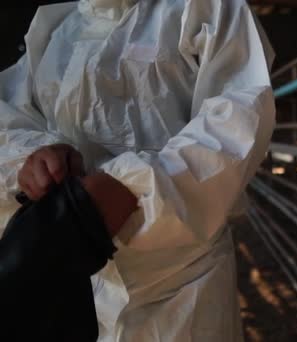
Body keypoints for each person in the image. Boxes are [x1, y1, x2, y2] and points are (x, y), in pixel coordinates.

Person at [0, 0, 275, 340]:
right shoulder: (58, 26)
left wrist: (138, 189)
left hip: (178, 279)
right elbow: (11, 113)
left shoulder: (203, 9)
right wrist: (32, 159)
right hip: (71, 264)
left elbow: (238, 115)